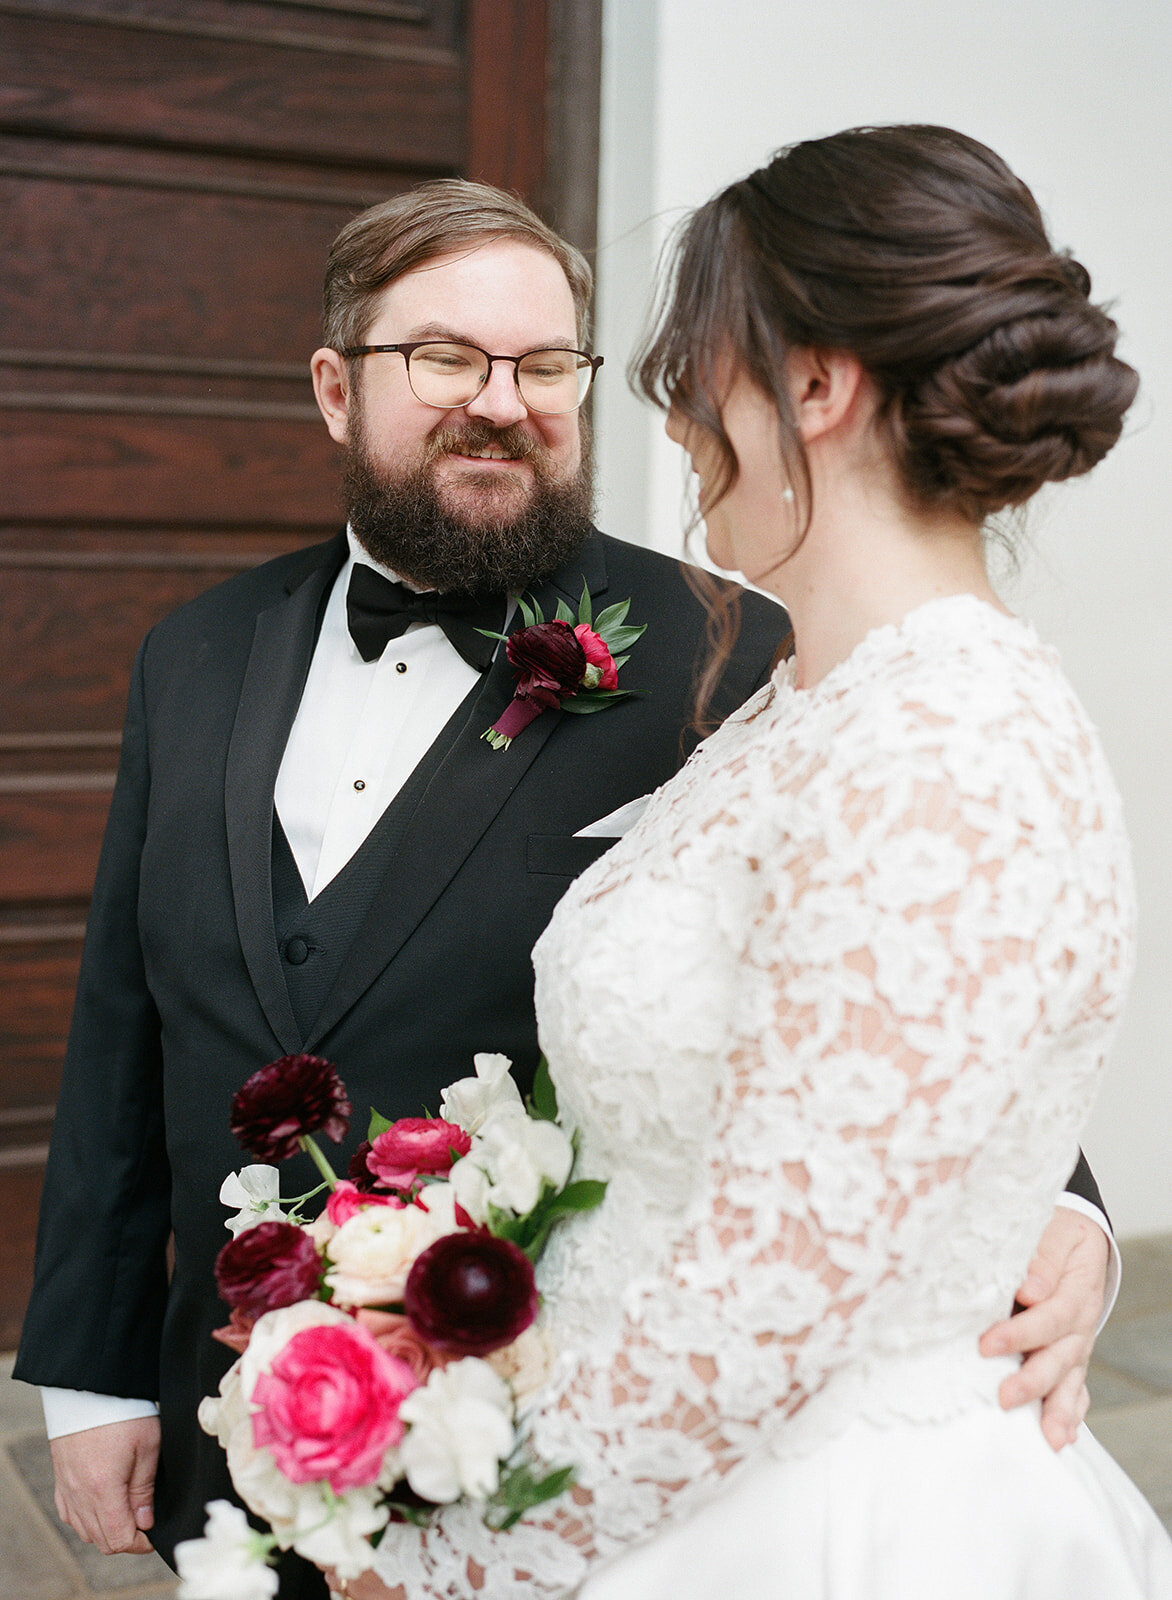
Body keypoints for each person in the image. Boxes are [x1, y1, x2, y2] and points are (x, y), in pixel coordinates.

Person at [14, 176, 1116, 1599]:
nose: (503, 399)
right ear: (338, 388)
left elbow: (910, 966)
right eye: (448, 359)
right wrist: (94, 1376)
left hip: (549, 1422)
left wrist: (1054, 1204)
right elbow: (123, 1022)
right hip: (245, 1405)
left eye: (546, 364)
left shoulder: (734, 643)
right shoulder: (195, 652)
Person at [335, 130, 1172, 1599]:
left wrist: (460, 1562)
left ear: (814, 386)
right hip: (649, 1461)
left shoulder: (950, 744)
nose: (673, 426)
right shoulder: (804, 706)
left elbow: (765, 1306)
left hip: (818, 1514)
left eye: (694, 374)